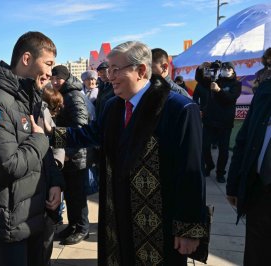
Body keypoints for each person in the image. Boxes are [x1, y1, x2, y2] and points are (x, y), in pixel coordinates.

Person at [46, 41, 206, 265]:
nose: (109, 76)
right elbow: (91, 134)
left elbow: (190, 173)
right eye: (108, 69)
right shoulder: (113, 106)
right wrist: (50, 134)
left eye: (115, 69)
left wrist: (188, 230)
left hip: (158, 226)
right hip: (117, 217)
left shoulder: (178, 109)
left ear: (141, 70)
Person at [0, 31, 64, 266]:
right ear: (26, 59)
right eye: (48, 63)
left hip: (35, 213)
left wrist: (54, 181)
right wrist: (40, 140)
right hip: (10, 222)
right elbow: (5, 166)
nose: (51, 72)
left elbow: (42, 151)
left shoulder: (30, 98)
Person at [226, 78, 271, 265]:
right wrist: (234, 184)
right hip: (259, 188)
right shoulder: (265, 90)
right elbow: (244, 139)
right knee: (256, 252)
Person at [51, 66, 92, 245]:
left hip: (76, 156)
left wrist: (67, 153)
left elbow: (80, 127)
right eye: (52, 78)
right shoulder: (64, 94)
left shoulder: (74, 96)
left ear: (65, 78)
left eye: (57, 79)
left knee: (78, 195)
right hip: (67, 154)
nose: (54, 82)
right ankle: (73, 225)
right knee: (70, 194)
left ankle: (83, 228)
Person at [202, 62, 242, 183]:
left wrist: (219, 90)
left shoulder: (236, 84)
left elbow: (230, 98)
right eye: (224, 68)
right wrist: (201, 68)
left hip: (225, 122)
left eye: (229, 68)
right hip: (210, 120)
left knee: (223, 150)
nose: (226, 70)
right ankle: (209, 165)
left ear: (233, 71)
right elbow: (201, 80)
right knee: (204, 146)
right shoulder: (216, 80)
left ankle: (220, 173)